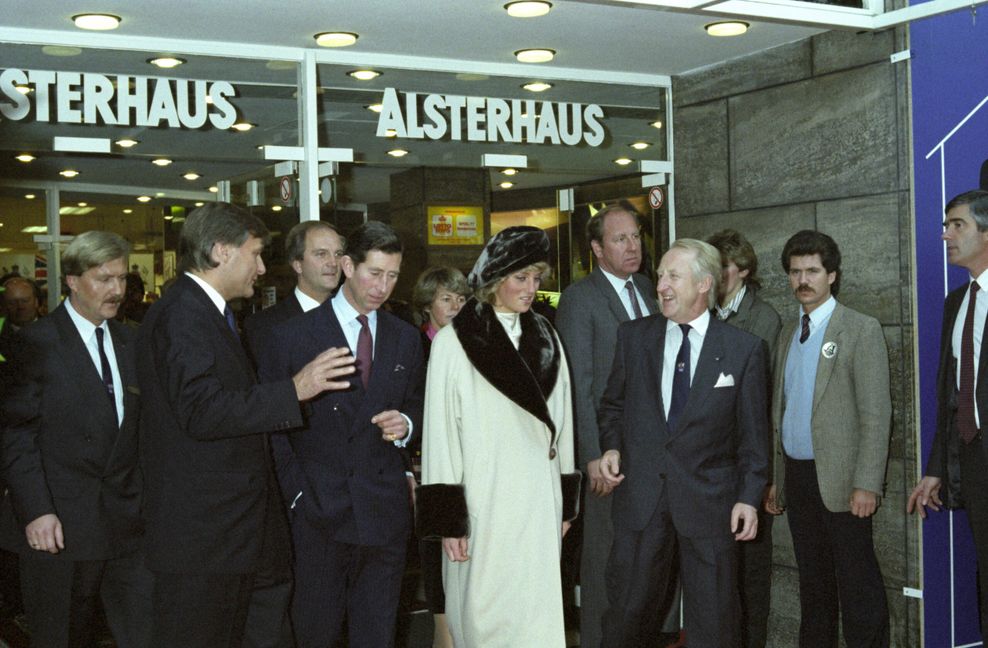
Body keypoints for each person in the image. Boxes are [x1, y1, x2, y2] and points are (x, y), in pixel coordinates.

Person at [136, 202, 355, 648]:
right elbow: (200, 410)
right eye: (254, 254)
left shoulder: (209, 311)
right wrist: (293, 389)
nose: (260, 268)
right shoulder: (183, 313)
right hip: (204, 540)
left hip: (234, 533)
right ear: (220, 251)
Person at [258, 221, 424, 648]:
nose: (382, 287)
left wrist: (406, 425)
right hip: (318, 513)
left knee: (377, 633)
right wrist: (295, 496)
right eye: (374, 273)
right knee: (317, 632)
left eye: (392, 276)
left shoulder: (405, 338)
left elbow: (420, 404)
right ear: (348, 266)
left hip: (382, 512)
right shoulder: (292, 335)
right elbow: (271, 427)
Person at [598, 238, 769, 648]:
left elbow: (753, 436)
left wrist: (749, 496)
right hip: (642, 499)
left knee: (715, 623)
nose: (661, 286)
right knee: (626, 617)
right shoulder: (633, 337)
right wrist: (611, 447)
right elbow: (612, 406)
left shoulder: (743, 350)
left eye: (673, 276)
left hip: (711, 504)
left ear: (704, 284)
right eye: (659, 276)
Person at [418, 226, 581, 648]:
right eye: (520, 278)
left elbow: (562, 425)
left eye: (537, 279)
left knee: (536, 615)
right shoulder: (455, 342)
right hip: (482, 503)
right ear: (494, 280)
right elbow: (440, 434)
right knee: (483, 615)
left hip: (537, 500)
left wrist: (565, 501)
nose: (531, 289)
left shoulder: (547, 336)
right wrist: (449, 520)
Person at [0, 231, 153, 648]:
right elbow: (16, 435)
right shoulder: (35, 343)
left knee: (142, 630)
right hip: (61, 526)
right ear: (71, 280)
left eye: (121, 278)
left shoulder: (130, 341)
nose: (117, 290)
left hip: (127, 520)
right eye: (104, 279)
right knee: (64, 634)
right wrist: (36, 510)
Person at [766, 229, 891, 648]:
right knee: (813, 585)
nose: (803, 280)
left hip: (844, 482)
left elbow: (877, 415)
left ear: (832, 275)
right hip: (800, 479)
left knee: (858, 585)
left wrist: (867, 483)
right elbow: (780, 410)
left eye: (813, 271)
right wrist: (778, 480)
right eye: (795, 271)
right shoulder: (787, 332)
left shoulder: (859, 329)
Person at [554, 204, 661, 648]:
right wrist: (592, 454)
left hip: (649, 451)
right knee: (603, 562)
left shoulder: (650, 289)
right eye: (620, 239)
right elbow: (579, 384)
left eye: (635, 236)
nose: (632, 246)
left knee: (643, 563)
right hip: (606, 457)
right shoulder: (581, 298)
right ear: (596, 249)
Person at [909, 189, 988, 635]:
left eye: (958, 225)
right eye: (946, 225)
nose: (945, 235)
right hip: (975, 467)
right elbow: (952, 395)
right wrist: (937, 467)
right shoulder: (956, 303)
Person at [707, 228, 781, 648]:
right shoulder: (704, 313)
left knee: (751, 570)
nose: (715, 278)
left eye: (723, 270)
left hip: (746, 462)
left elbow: (762, 399)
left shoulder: (762, 319)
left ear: (744, 271)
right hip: (711, 464)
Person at [409, 266, 469, 648]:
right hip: (424, 463)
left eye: (462, 299)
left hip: (462, 465)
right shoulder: (416, 345)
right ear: (427, 303)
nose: (455, 305)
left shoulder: (472, 347)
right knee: (435, 555)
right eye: (446, 298)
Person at [244, 220, 345, 368]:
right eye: (321, 254)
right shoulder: (264, 327)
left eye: (338, 254)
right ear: (298, 265)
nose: (333, 263)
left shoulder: (355, 317)